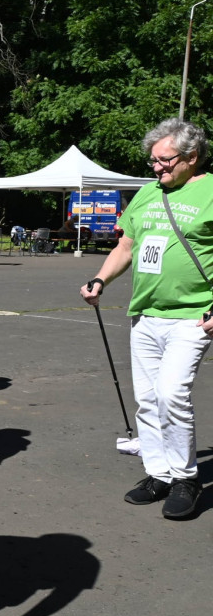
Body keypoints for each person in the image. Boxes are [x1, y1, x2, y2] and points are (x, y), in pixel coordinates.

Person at [80, 117, 212, 520]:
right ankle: (159, 473)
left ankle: (186, 477)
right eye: (153, 161)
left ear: (191, 157)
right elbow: (127, 245)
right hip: (145, 314)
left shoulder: (210, 191)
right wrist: (100, 278)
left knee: (172, 393)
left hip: (192, 316)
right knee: (148, 400)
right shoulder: (146, 194)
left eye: (165, 160)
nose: (156, 168)